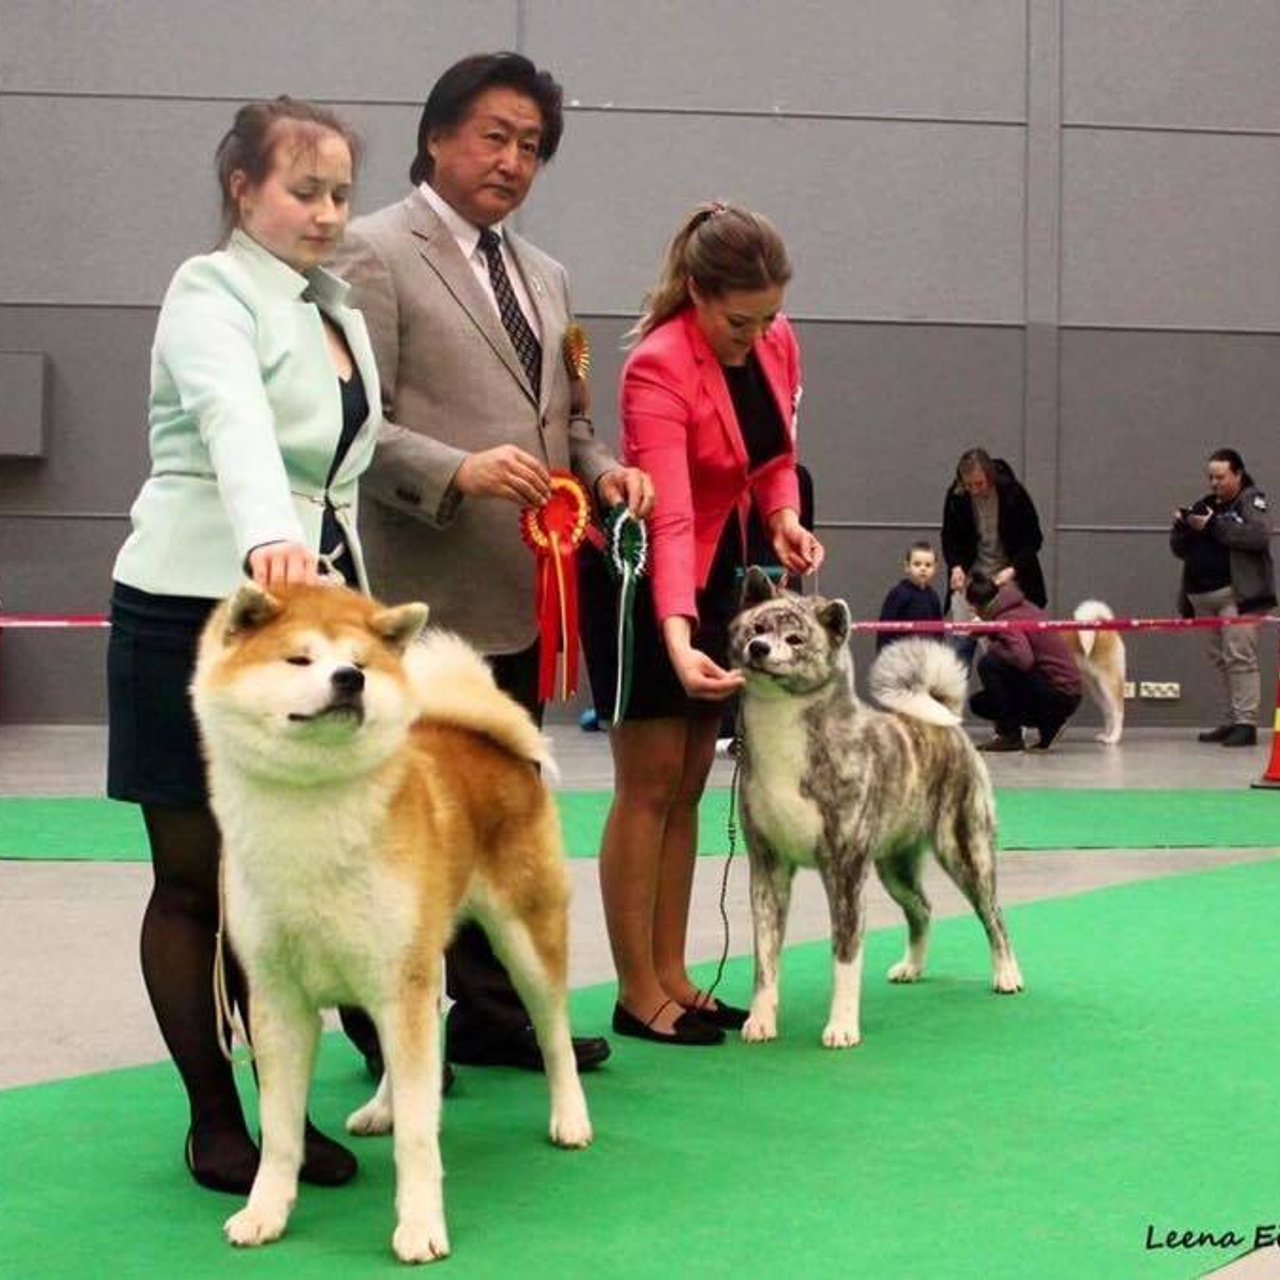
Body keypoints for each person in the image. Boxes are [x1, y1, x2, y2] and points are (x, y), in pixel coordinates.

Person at [329, 52, 651, 1075]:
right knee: (401, 817)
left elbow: (571, 424)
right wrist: (456, 469)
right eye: (493, 136)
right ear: (435, 136)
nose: (512, 160)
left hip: (528, 594)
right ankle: (383, 1023)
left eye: (530, 146)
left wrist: (603, 475)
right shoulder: (371, 251)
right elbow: (352, 429)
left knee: (496, 812)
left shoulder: (546, 276)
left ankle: (492, 1010)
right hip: (418, 599)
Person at [107, 98, 378, 1193]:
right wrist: (268, 535)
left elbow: (338, 480)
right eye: (301, 190)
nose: (324, 213)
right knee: (194, 879)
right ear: (241, 189)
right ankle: (212, 1115)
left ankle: (285, 1108)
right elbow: (234, 424)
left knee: (285, 884)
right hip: (187, 608)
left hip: (306, 623)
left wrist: (351, 600)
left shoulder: (339, 311)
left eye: (340, 194)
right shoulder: (207, 290)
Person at [579, 203, 824, 1044]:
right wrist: (677, 637)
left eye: (766, 320)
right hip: (644, 571)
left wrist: (784, 516)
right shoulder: (657, 366)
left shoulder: (773, 338)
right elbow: (671, 516)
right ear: (695, 293)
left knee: (688, 779)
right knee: (646, 785)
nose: (752, 337)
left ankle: (675, 972)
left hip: (720, 564)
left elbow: (776, 455)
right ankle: (635, 987)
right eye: (736, 321)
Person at [1171, 448, 1276, 747]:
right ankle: (1231, 720)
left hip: (1238, 596)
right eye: (1210, 477)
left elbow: (1258, 536)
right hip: (1204, 597)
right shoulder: (1204, 505)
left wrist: (1213, 525)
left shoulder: (1251, 501)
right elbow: (1179, 549)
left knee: (1240, 657)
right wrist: (1183, 527)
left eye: (1221, 477)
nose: (1214, 483)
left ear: (1238, 474)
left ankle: (1246, 723)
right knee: (1222, 660)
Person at [941, 447, 1046, 672]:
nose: (974, 490)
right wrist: (956, 566)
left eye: (979, 484)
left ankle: (1010, 702)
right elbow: (949, 537)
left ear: (990, 476)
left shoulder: (1012, 493)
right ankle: (951, 703)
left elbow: (1034, 539)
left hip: (1006, 582)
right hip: (972, 581)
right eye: (969, 485)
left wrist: (1013, 569)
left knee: (1007, 650)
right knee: (961, 647)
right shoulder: (957, 496)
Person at [964, 571, 1081, 751]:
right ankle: (1050, 725)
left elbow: (1023, 659)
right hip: (1066, 692)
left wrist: (993, 644)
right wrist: (988, 629)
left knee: (989, 664)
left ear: (980, 607)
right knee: (981, 702)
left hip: (1059, 695)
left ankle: (1010, 735)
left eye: (972, 608)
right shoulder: (1016, 606)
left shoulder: (1006, 618)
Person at [876, 541, 944, 652]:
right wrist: (884, 652)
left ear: (935, 568)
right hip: (902, 654)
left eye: (928, 565)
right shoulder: (898, 593)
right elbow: (885, 627)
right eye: (917, 564)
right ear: (907, 566)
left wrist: (939, 649)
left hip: (927, 654)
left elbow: (939, 629)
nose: (923, 569)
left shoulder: (933, 596)